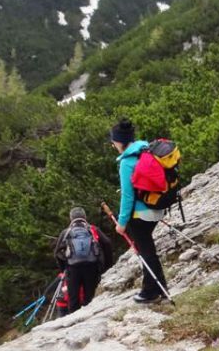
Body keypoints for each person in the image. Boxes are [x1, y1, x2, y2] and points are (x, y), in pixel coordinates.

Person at [109, 118, 169, 303]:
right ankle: (158, 289)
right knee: (147, 249)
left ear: (119, 141)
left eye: (113, 141)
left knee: (146, 251)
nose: (112, 145)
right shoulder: (146, 150)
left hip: (139, 214)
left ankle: (151, 291)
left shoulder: (127, 163)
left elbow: (127, 197)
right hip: (156, 208)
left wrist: (121, 223)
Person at [54, 206, 113, 315]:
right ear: (85, 217)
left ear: (71, 218)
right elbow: (107, 243)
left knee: (73, 298)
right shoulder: (92, 229)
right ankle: (90, 317)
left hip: (72, 268)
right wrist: (107, 266)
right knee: (89, 296)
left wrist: (64, 268)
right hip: (91, 266)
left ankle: (74, 320)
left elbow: (57, 252)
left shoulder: (66, 232)